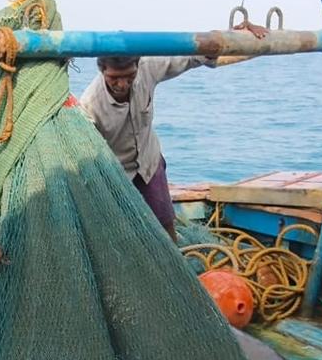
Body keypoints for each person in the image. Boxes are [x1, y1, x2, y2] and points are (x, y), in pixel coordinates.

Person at [78, 55, 219, 242]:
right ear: (102, 70)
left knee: (165, 220)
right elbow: (85, 151)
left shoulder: (147, 68)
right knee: (120, 228)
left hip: (149, 161)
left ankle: (173, 263)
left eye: (129, 76)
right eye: (114, 78)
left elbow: (187, 58)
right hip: (117, 171)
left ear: (138, 65)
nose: (123, 84)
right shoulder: (90, 103)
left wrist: (211, 48)